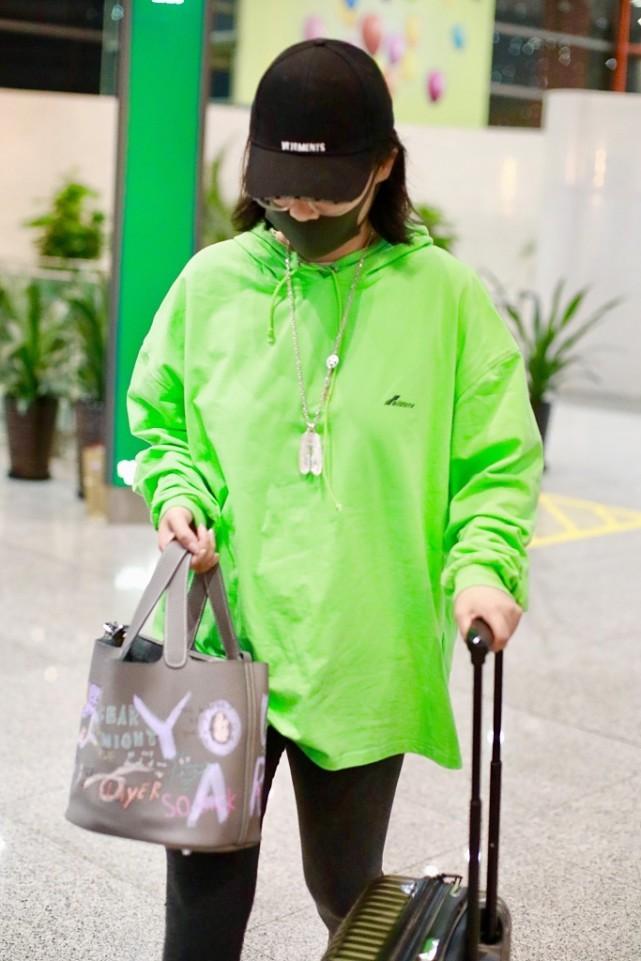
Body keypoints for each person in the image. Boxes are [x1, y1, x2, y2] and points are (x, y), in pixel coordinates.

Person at [127, 38, 544, 961]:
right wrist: (175, 491)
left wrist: (483, 569)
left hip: (360, 649)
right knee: (201, 904)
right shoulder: (213, 283)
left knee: (347, 892)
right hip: (222, 643)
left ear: (383, 165)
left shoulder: (445, 302)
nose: (301, 209)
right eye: (281, 189)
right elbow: (163, 424)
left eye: (321, 189)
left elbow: (494, 464)